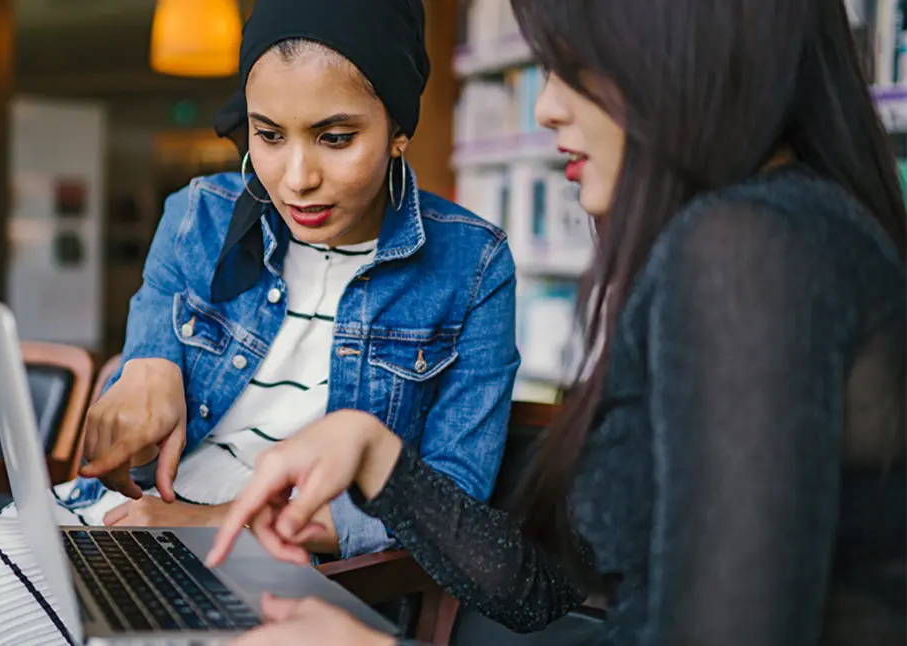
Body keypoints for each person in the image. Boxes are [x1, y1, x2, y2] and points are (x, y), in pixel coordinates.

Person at [0, 1, 523, 644]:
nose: (296, 177)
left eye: (334, 137)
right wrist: (144, 366)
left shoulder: (473, 268)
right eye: (267, 134)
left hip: (268, 579)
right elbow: (139, 384)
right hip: (107, 530)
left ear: (398, 128)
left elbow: (442, 508)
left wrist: (195, 520)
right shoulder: (199, 215)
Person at [205, 0, 907, 645]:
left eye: (574, 67)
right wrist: (375, 455)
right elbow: (541, 592)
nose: (546, 108)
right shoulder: (778, 229)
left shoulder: (748, 250)